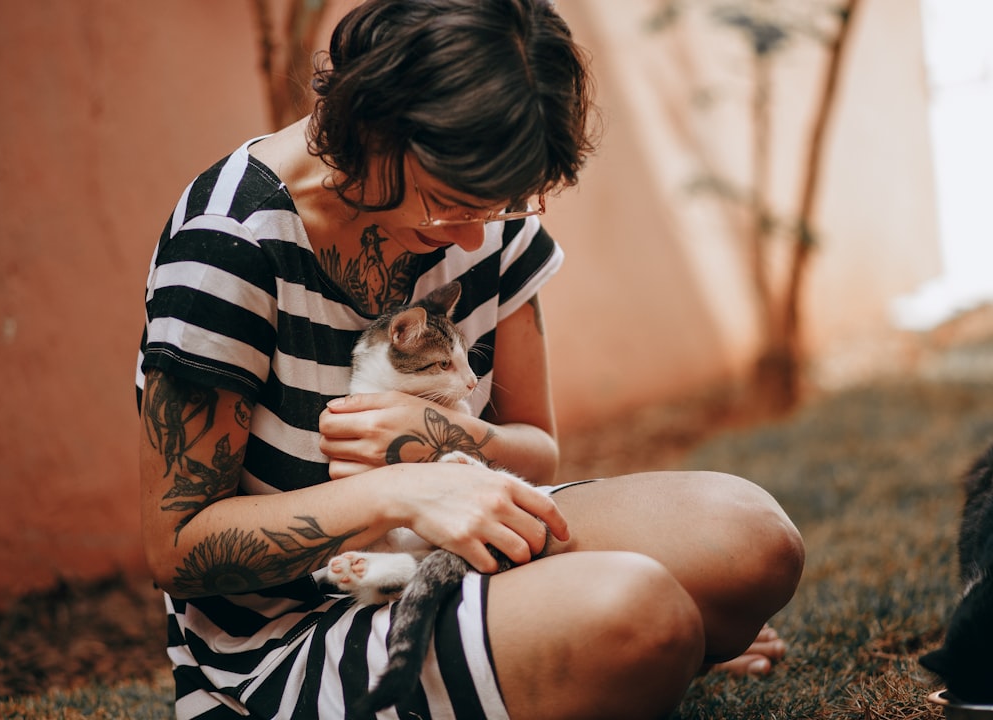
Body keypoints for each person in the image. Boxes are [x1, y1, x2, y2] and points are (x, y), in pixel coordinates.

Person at [135, 1, 805, 718]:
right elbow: (177, 546)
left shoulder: (485, 217)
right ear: (374, 127)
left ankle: (573, 646)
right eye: (447, 205)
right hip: (291, 632)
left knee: (752, 539)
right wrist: (400, 492)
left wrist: (449, 443)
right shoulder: (229, 244)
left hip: (456, 557)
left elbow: (536, 455)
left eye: (501, 209)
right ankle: (598, 645)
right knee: (643, 615)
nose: (473, 236)